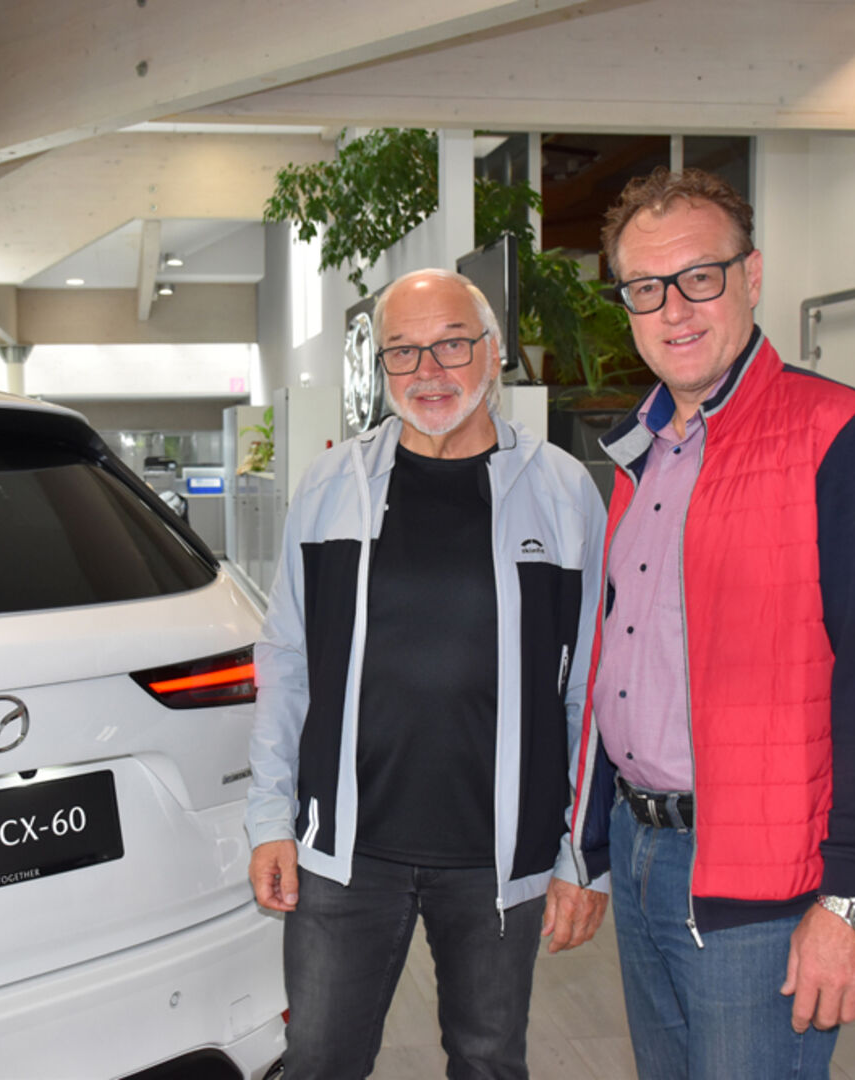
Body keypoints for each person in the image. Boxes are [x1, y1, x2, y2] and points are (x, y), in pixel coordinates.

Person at [565, 167, 855, 1079]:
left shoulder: (839, 434)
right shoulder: (642, 453)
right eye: (644, 288)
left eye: (699, 276)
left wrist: (854, 899)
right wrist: (593, 843)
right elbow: (624, 661)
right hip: (644, 854)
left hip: (766, 887)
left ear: (752, 275)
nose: (673, 310)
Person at [245, 268, 611, 1078]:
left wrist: (580, 856)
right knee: (318, 1059)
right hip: (345, 849)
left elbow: (590, 688)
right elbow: (287, 660)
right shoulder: (330, 486)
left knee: (487, 1060)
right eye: (402, 352)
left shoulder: (560, 490)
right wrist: (270, 817)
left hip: (498, 854)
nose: (427, 371)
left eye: (450, 344)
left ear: (492, 351)